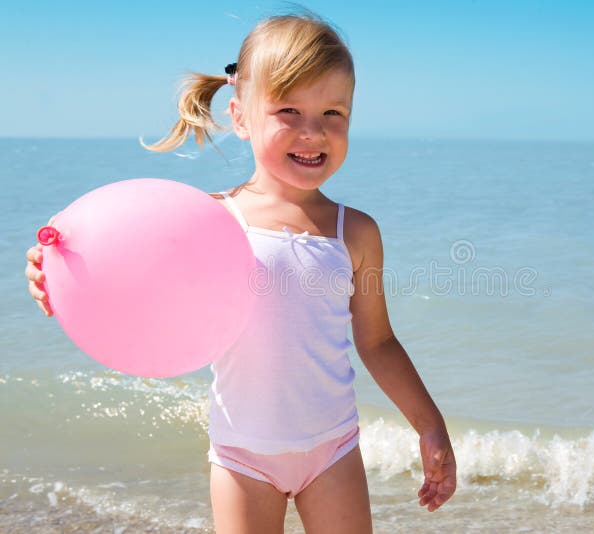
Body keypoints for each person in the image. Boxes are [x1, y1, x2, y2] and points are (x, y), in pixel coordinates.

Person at [24, 13, 456, 533]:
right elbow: (125, 264)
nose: (313, 131)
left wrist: (429, 425)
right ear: (241, 116)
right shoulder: (209, 221)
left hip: (333, 447)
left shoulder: (355, 232)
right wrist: (53, 270)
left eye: (333, 112)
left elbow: (379, 341)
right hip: (241, 456)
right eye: (289, 110)